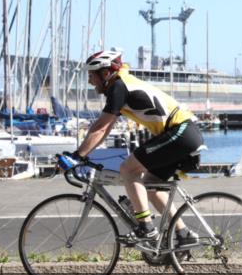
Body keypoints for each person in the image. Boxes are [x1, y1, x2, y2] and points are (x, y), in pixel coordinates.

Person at [64, 49, 201, 243]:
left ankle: (146, 227)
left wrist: (77, 156)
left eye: (91, 75)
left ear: (105, 73)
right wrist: (82, 153)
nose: (89, 81)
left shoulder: (119, 86)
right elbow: (104, 127)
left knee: (128, 169)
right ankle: (184, 234)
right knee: (151, 187)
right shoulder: (121, 85)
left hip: (181, 132)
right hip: (182, 134)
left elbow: (101, 129)